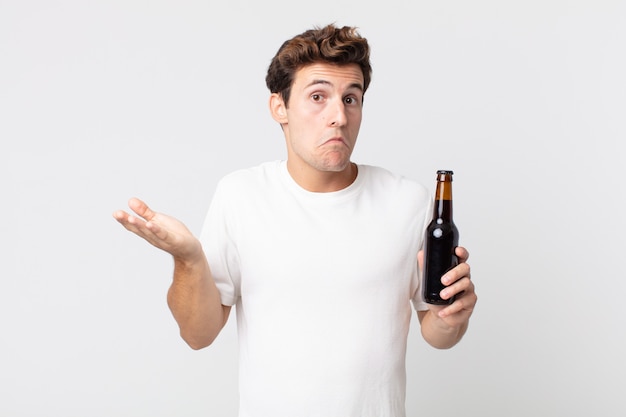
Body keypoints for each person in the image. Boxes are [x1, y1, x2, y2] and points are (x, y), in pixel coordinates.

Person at [113, 23, 477, 417]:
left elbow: (437, 334)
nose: (338, 116)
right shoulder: (241, 196)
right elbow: (198, 334)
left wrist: (451, 317)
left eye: (351, 99)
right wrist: (187, 259)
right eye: (318, 96)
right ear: (279, 108)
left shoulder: (407, 201)